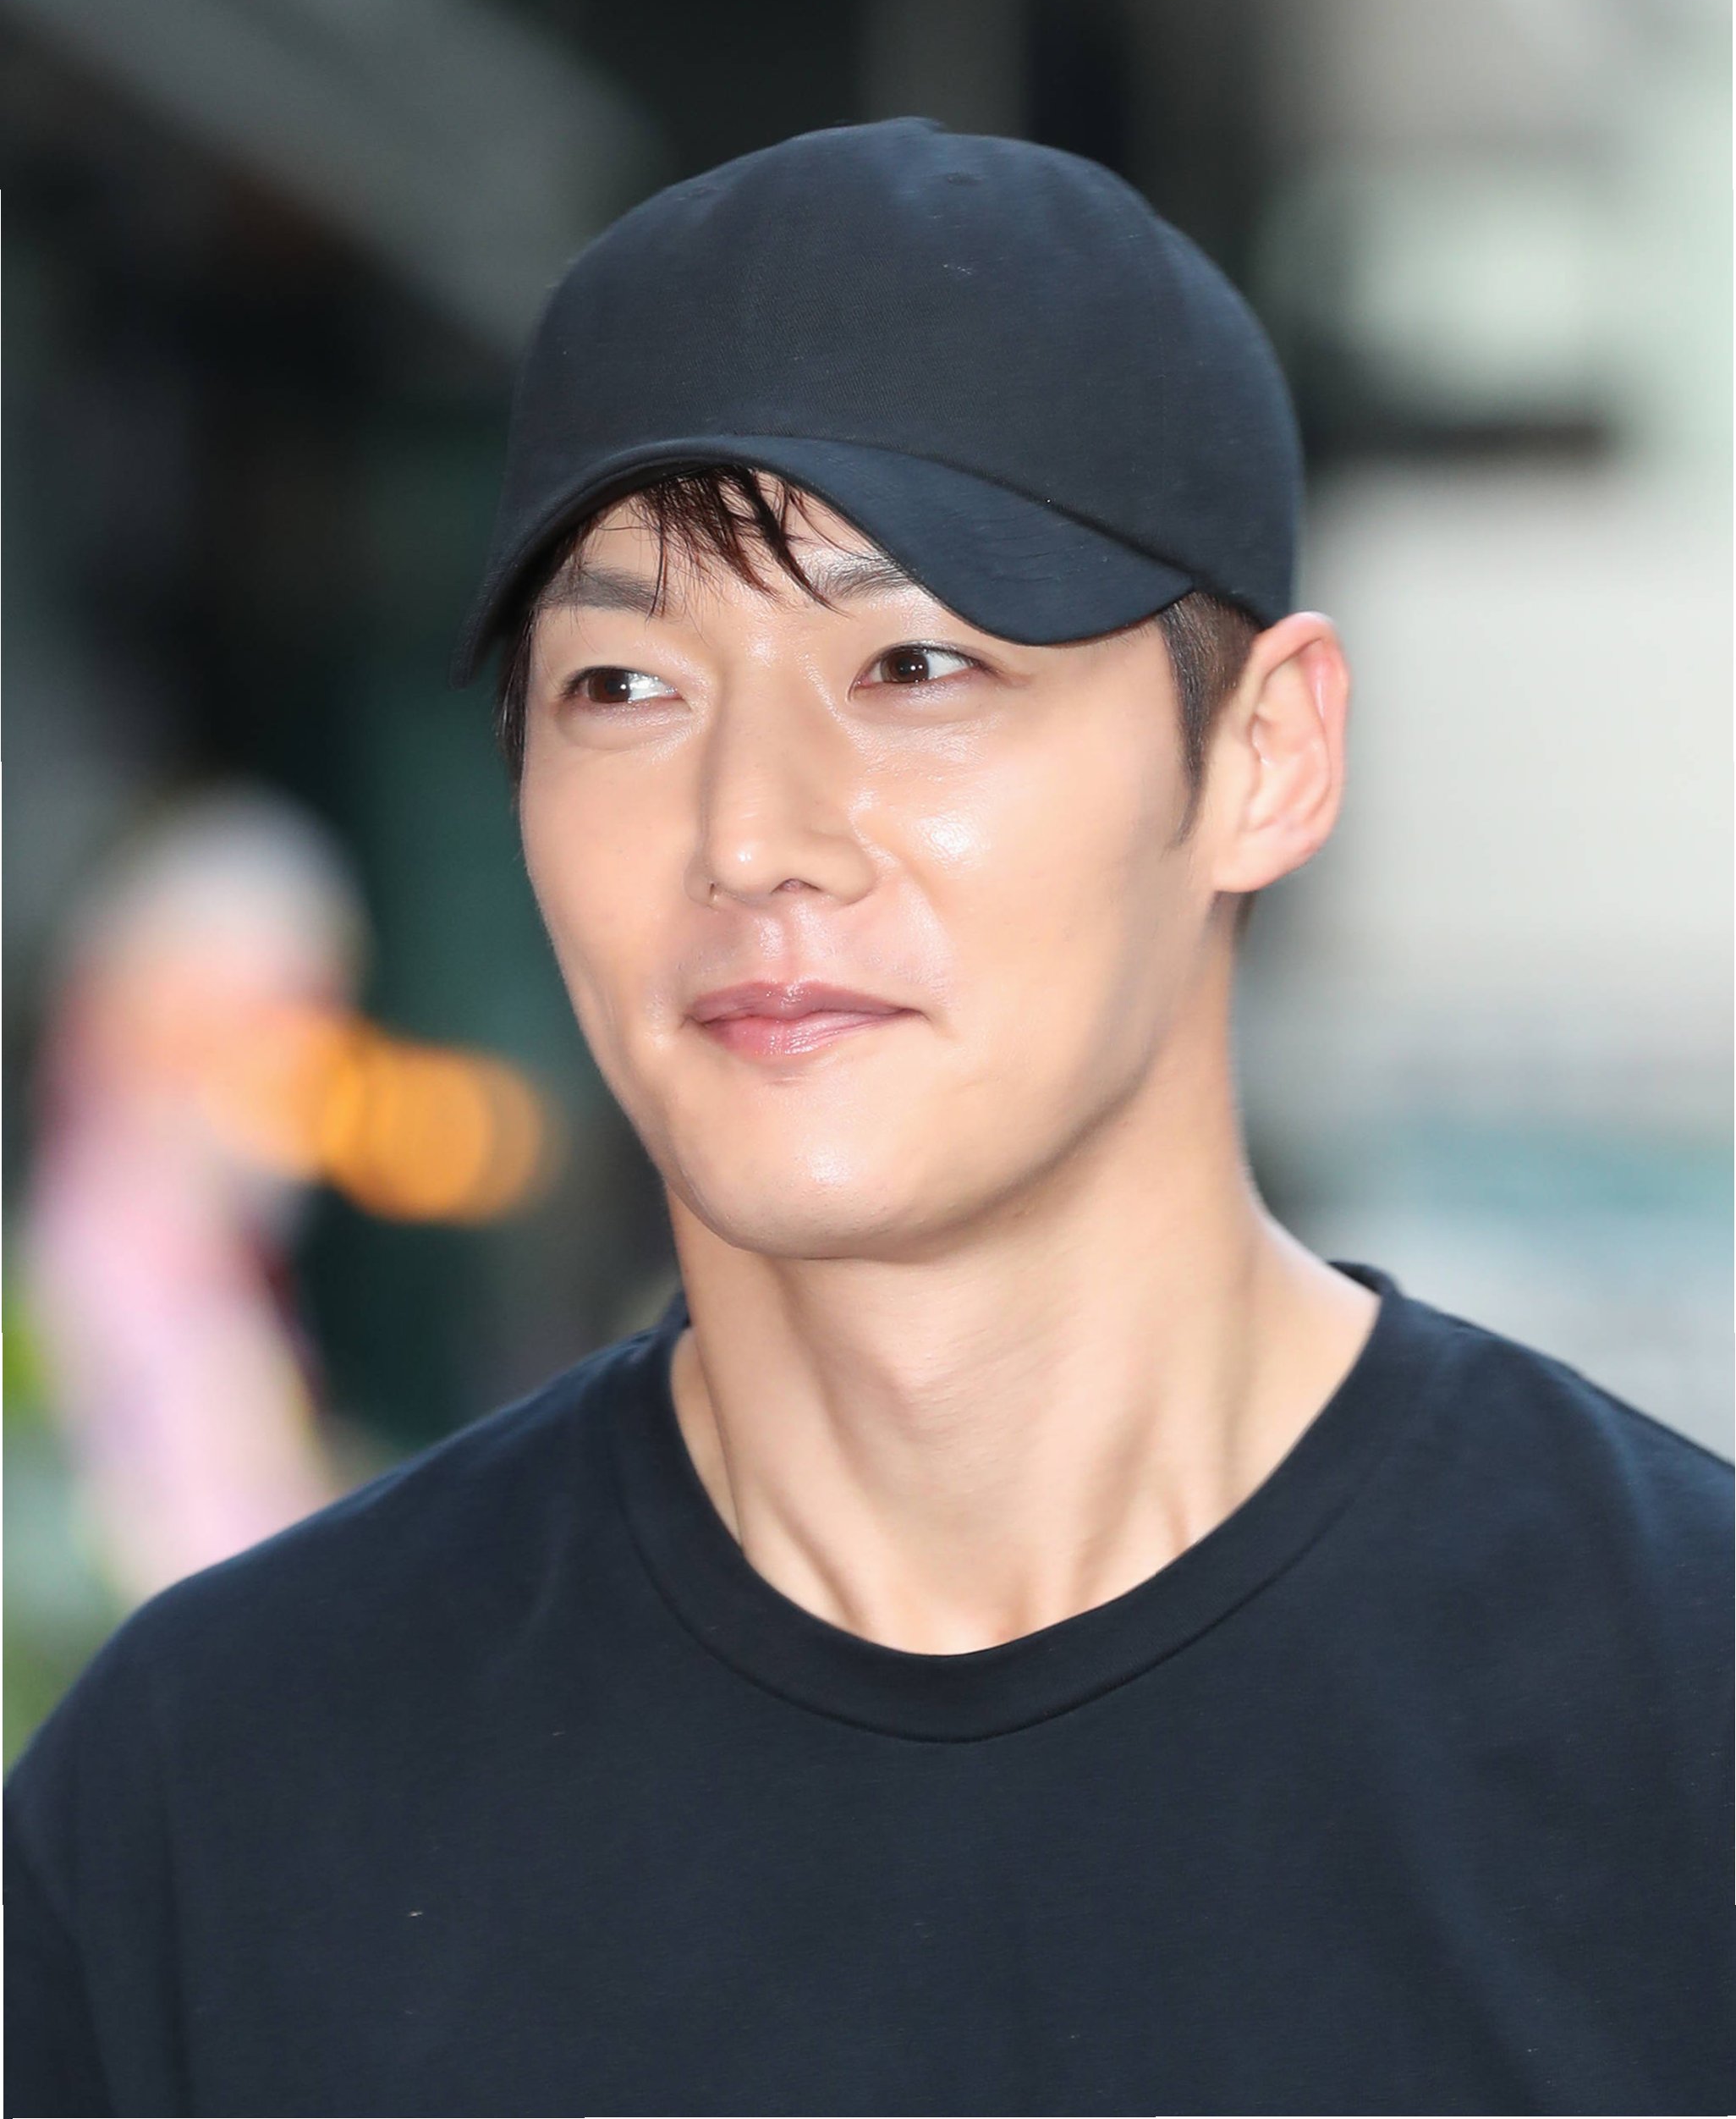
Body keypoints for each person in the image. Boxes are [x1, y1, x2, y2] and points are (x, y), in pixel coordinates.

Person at [7, 118, 1729, 2119]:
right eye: (623, 688)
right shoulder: (214, 1802)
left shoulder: (1682, 1724)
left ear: (1267, 755)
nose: (752, 835)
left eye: (916, 665)